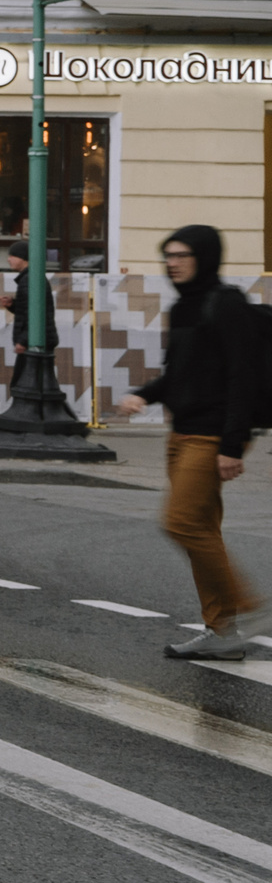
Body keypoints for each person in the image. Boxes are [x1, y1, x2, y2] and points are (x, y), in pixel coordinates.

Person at [121, 225, 268, 660]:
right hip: (181, 434)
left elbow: (243, 377)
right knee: (203, 530)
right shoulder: (182, 307)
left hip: (211, 436)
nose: (173, 262)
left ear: (204, 256)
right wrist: (144, 394)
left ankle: (252, 607)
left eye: (182, 254)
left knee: (180, 522)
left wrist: (232, 443)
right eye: (168, 255)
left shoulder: (226, 304)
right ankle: (221, 633)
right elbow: (181, 375)